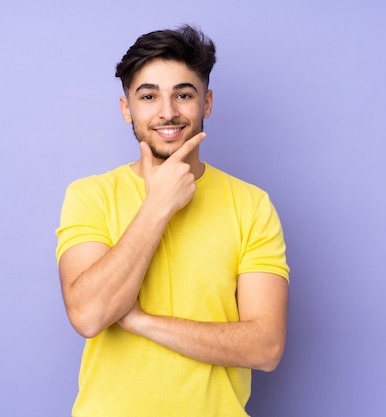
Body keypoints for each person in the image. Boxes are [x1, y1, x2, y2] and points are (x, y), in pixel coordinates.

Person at [55, 24, 289, 417]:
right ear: (126, 108)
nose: (168, 111)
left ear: (207, 103)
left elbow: (265, 348)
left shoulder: (251, 204)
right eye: (149, 96)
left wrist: (141, 321)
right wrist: (158, 205)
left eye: (183, 94)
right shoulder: (89, 196)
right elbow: (89, 315)